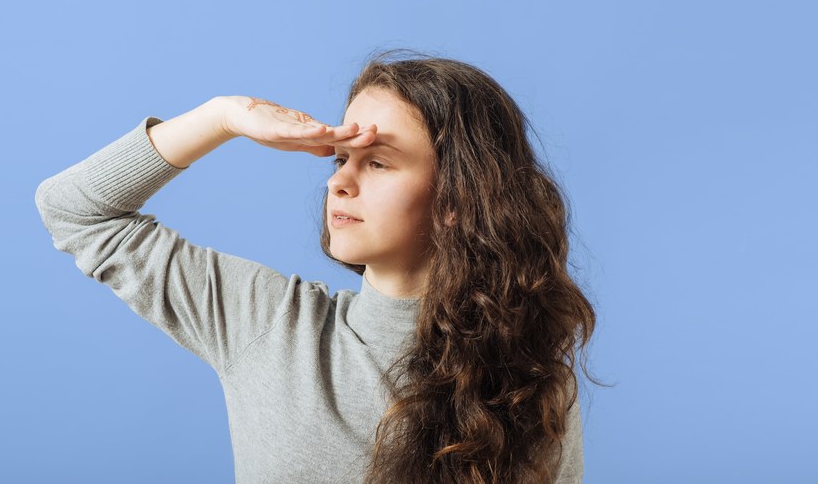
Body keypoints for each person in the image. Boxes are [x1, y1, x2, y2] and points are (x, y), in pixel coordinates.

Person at [34, 49, 598, 483]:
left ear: (458, 198)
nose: (339, 181)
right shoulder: (265, 321)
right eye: (341, 157)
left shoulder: (533, 381)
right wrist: (223, 116)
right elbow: (74, 210)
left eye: (377, 162)